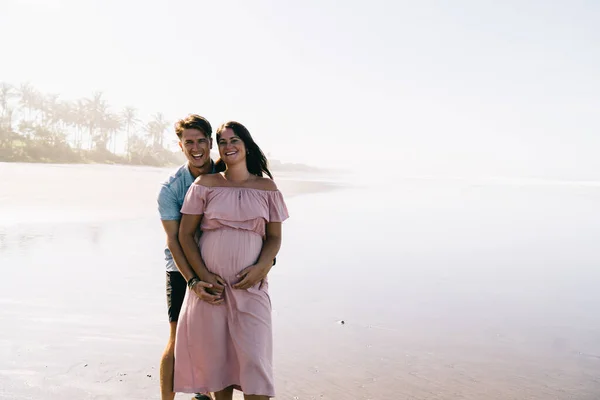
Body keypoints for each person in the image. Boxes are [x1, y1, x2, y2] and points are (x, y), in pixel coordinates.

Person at [174, 121, 289, 400]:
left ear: (246, 145)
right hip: (212, 291)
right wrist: (201, 275)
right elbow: (185, 235)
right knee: (217, 367)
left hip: (251, 288)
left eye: (234, 140)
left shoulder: (267, 188)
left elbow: (274, 237)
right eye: (222, 142)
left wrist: (262, 267)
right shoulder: (205, 185)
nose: (228, 147)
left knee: (255, 365)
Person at [157, 114, 220, 400]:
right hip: (181, 269)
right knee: (177, 338)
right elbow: (173, 240)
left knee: (219, 338)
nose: (195, 148)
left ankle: (204, 392)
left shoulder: (226, 175)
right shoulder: (171, 188)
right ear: (181, 146)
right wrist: (193, 280)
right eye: (188, 142)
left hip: (222, 265)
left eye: (200, 141)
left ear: (210, 142)